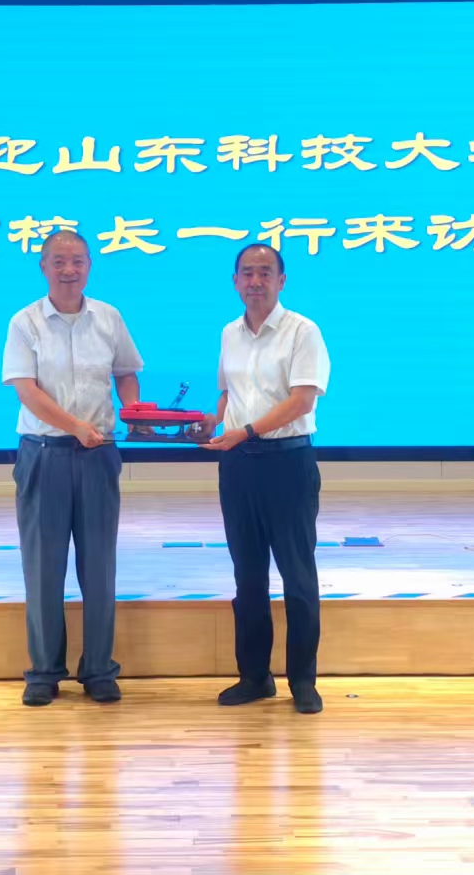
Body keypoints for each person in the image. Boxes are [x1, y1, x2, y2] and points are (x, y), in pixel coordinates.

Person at [2, 229, 144, 707]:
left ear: (89, 266)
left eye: (78, 261)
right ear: (43, 266)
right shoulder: (25, 322)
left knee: (99, 567)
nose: (69, 270)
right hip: (44, 454)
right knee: (44, 568)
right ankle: (44, 672)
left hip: (98, 454)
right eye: (59, 261)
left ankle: (99, 669)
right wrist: (75, 426)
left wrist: (133, 411)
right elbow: (27, 390)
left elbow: (126, 372)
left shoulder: (109, 317)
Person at [191, 243, 331, 714]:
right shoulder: (229, 333)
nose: (255, 281)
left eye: (265, 272)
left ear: (281, 280)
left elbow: (302, 401)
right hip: (237, 466)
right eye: (247, 273)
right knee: (247, 576)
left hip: (287, 463)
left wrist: (246, 431)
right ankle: (254, 676)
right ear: (235, 281)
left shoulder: (302, 331)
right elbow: (228, 395)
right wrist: (210, 424)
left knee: (297, 575)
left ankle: (303, 682)